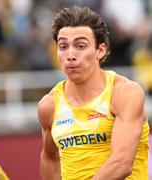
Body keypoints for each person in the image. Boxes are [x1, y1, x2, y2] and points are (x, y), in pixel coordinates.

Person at [38, 6, 149, 180]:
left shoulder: (125, 93)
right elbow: (50, 159)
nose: (70, 55)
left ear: (100, 50)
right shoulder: (49, 105)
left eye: (80, 46)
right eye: (63, 47)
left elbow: (121, 163)